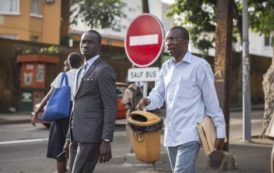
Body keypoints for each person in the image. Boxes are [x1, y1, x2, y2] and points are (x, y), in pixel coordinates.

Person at [136, 26, 226, 173]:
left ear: (185, 43)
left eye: (173, 39)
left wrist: (221, 130)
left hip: (191, 133)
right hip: (171, 135)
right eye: (167, 39)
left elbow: (212, 101)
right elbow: (158, 95)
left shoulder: (199, 66)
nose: (168, 42)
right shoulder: (166, 67)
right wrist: (148, 101)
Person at [63, 30, 117, 173]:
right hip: (75, 135)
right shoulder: (80, 70)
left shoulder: (104, 70)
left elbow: (110, 107)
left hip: (91, 136)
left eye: (90, 42)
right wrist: (68, 138)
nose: (85, 45)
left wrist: (106, 140)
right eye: (83, 41)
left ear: (99, 46)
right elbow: (75, 105)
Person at [31, 52, 82, 173]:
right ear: (81, 63)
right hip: (79, 112)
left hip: (61, 113)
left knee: (60, 147)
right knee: (77, 145)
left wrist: (37, 112)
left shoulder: (62, 76)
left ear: (68, 63)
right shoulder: (83, 75)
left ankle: (62, 170)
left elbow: (49, 96)